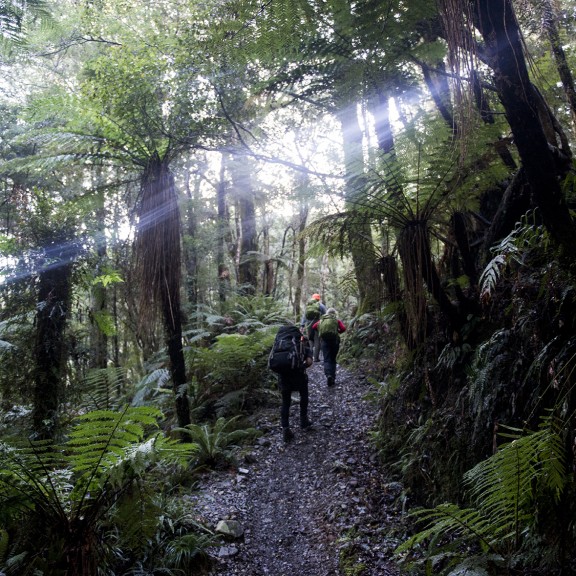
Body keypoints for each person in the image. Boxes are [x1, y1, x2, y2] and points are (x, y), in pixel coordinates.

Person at [272, 325, 314, 443]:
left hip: (283, 377)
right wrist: (302, 366)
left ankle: (286, 429)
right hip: (298, 375)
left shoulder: (278, 344)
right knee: (304, 396)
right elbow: (310, 361)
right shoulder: (301, 342)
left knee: (286, 402)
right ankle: (303, 421)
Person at [312, 307, 346, 387]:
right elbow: (343, 328)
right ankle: (333, 377)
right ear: (334, 314)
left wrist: (321, 331)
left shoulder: (322, 320)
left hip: (324, 341)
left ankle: (328, 375)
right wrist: (338, 332)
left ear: (327, 313)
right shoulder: (336, 320)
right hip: (335, 341)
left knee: (327, 359)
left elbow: (313, 327)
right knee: (333, 359)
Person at [300, 293, 326, 362]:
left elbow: (304, 316)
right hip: (318, 324)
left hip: (309, 324)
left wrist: (302, 325)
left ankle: (310, 357)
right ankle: (316, 358)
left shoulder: (308, 306)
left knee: (310, 340)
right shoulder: (321, 306)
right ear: (318, 299)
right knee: (317, 340)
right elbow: (325, 316)